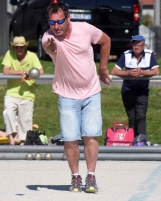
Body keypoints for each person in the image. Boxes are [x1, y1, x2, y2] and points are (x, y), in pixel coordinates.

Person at [42, 2, 111, 193]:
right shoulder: (48, 37)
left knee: (91, 135)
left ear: (68, 18)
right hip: (66, 94)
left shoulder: (85, 29)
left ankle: (91, 177)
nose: (56, 26)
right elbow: (49, 48)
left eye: (60, 21)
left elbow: (106, 41)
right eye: (52, 22)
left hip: (91, 91)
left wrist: (103, 68)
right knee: (70, 139)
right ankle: (75, 177)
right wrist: (51, 47)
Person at [111, 35, 160, 145]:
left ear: (144, 46)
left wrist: (142, 72)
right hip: (127, 90)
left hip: (142, 90)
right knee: (132, 117)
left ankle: (142, 139)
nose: (136, 47)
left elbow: (156, 71)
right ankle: (132, 141)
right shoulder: (126, 54)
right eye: (134, 44)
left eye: (138, 45)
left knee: (141, 115)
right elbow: (114, 71)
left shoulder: (149, 54)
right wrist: (127, 73)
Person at [2, 36, 44, 146]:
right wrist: (22, 72)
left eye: (21, 47)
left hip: (28, 93)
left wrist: (28, 74)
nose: (19, 50)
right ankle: (11, 139)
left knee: (25, 120)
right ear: (13, 47)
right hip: (11, 92)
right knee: (9, 114)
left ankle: (22, 142)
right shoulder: (9, 54)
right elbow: (6, 71)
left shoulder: (32, 56)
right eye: (16, 47)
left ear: (25, 47)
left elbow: (41, 71)